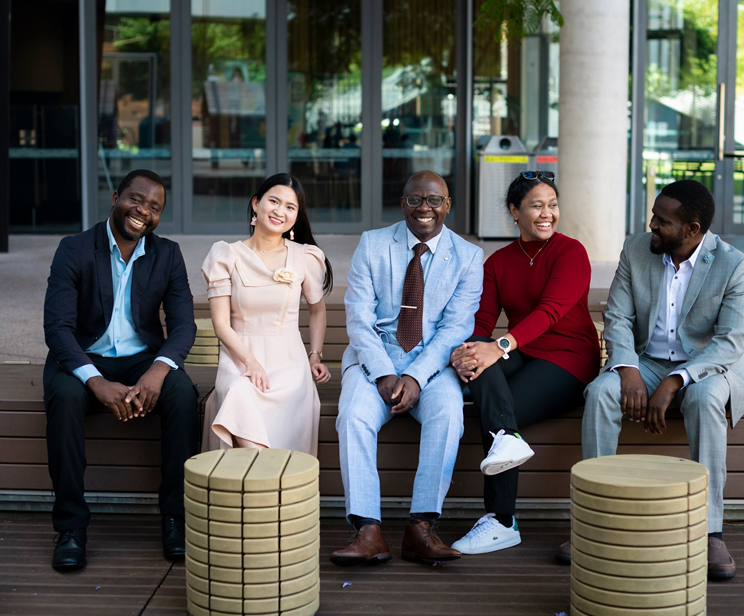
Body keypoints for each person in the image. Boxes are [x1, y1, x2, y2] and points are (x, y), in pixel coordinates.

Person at [571, 179, 744, 580]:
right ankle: (597, 519)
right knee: (601, 392)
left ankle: (710, 531)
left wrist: (675, 382)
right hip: (646, 360)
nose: (651, 225)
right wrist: (628, 368)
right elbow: (617, 317)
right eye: (653, 216)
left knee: (704, 401)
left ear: (692, 229)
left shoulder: (733, 264)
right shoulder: (636, 249)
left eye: (662, 221)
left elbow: (731, 341)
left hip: (706, 366)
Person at [42, 169, 198, 571]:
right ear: (115, 197)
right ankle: (71, 527)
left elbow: (183, 325)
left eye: (154, 207)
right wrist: (95, 381)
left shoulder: (168, 254)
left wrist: (157, 371)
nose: (142, 211)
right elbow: (57, 328)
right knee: (63, 395)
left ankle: (175, 519)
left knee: (183, 394)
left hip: (142, 358)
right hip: (83, 356)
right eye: (136, 199)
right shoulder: (74, 249)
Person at [330, 171, 483, 567]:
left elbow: (455, 328)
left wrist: (415, 376)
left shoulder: (468, 256)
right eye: (415, 200)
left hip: (431, 365)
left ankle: (420, 528)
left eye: (434, 201)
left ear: (447, 205)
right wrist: (384, 373)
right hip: (374, 359)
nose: (424, 209)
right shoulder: (373, 243)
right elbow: (359, 318)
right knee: (353, 418)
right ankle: (367, 531)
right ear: (403, 204)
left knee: (449, 415)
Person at [448, 171, 601, 554]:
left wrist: (498, 347)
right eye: (536, 206)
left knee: (501, 409)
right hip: (525, 352)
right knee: (479, 349)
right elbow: (482, 322)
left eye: (552, 205)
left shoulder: (571, 252)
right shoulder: (498, 262)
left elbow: (551, 312)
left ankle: (501, 520)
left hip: (570, 358)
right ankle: (506, 448)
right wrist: (467, 352)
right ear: (515, 212)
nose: (547, 213)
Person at [201, 174, 333, 453]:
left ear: (296, 217)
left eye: (290, 207)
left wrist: (315, 355)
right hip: (240, 359)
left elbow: (317, 311)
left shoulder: (304, 257)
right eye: (273, 201)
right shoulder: (225, 255)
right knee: (238, 392)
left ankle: (266, 488)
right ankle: (265, 487)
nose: (279, 211)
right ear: (256, 204)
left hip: (289, 365)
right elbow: (221, 323)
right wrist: (250, 362)